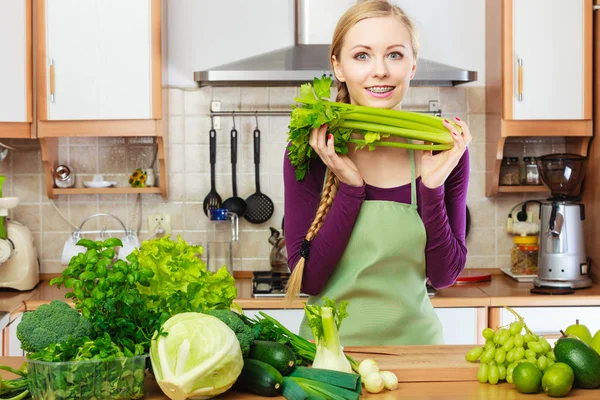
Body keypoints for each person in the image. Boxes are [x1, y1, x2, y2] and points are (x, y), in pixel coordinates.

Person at [283, 0, 471, 345]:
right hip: (328, 360)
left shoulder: (444, 148)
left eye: (395, 55)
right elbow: (308, 281)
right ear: (338, 67)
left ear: (412, 65)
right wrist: (351, 187)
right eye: (362, 55)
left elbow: (444, 275)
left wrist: (432, 187)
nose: (380, 71)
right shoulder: (311, 151)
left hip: (419, 357)